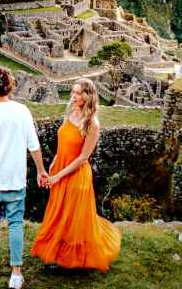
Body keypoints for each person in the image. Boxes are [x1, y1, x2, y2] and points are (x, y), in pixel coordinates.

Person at [0, 65, 48, 288]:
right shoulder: (21, 111)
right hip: (14, 179)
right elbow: (34, 146)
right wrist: (41, 170)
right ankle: (16, 274)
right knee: (15, 224)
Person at [31, 78, 121, 271]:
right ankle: (57, 251)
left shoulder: (92, 123)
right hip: (60, 167)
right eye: (73, 92)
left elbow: (82, 157)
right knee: (59, 212)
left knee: (72, 217)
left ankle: (69, 259)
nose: (74, 96)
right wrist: (54, 163)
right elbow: (63, 141)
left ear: (88, 96)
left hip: (75, 174)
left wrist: (58, 176)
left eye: (79, 93)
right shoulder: (71, 111)